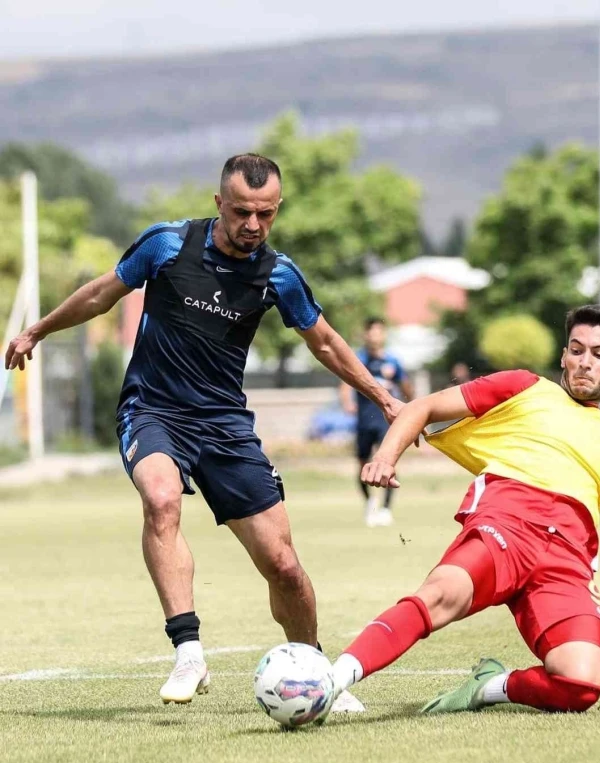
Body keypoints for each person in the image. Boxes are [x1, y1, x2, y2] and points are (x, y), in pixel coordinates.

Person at [4, 153, 403, 709]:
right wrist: (38, 331)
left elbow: (327, 344)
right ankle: (188, 651)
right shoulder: (168, 245)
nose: (253, 224)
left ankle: (316, 673)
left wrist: (382, 396)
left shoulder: (279, 274)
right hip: (153, 411)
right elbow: (100, 294)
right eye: (242, 212)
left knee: (284, 566)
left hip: (225, 427)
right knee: (161, 499)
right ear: (219, 203)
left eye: (266, 214)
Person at [329, 304, 600, 716]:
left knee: (582, 684)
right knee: (441, 595)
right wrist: (385, 457)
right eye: (577, 350)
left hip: (567, 558)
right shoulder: (524, 386)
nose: (585, 362)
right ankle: (329, 682)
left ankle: (489, 687)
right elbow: (421, 407)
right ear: (564, 356)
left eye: (599, 354)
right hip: (506, 527)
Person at [339, 317, 413, 527]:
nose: (375, 336)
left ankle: (386, 509)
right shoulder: (359, 360)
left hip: (386, 421)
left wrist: (412, 406)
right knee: (363, 465)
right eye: (371, 332)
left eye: (379, 331)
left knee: (388, 462)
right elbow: (345, 384)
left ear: (384, 335)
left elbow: (406, 385)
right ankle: (370, 503)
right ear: (366, 335)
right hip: (364, 421)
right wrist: (347, 402)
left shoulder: (392, 361)